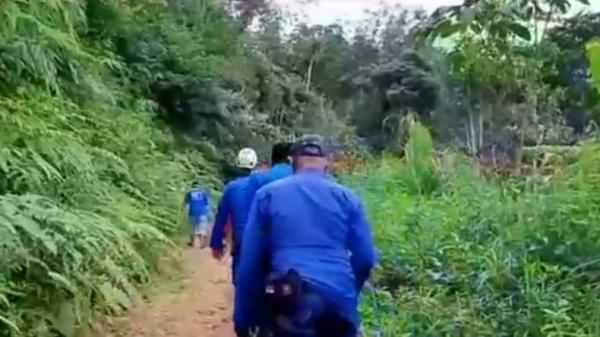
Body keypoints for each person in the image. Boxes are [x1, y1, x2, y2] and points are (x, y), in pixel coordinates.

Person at [233, 135, 377, 337]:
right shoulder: (348, 198)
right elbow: (366, 258)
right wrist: (348, 290)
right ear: (328, 162)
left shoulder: (268, 195)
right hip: (338, 299)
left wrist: (244, 318)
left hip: (287, 299)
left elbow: (250, 262)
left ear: (292, 161)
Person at [184, 181, 211, 248]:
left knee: (192, 228)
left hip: (192, 212)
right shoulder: (203, 192)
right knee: (201, 228)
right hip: (202, 212)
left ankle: (192, 243)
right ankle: (201, 244)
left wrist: (186, 212)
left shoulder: (189, 192)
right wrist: (208, 214)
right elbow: (207, 205)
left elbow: (187, 204)